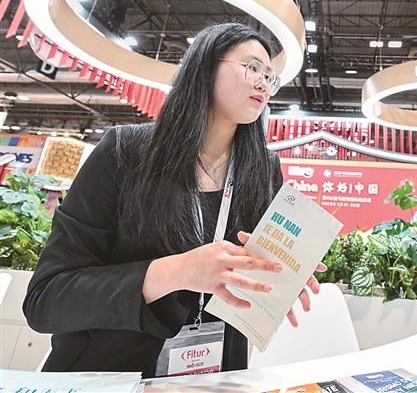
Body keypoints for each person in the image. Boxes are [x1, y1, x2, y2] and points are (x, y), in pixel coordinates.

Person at [23, 23, 324, 378]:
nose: (263, 83)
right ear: (205, 67)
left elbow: (249, 284)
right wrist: (177, 272)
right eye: (252, 68)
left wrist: (277, 281)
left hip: (215, 378)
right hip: (110, 374)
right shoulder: (124, 151)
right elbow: (46, 298)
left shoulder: (263, 169)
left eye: (270, 77)